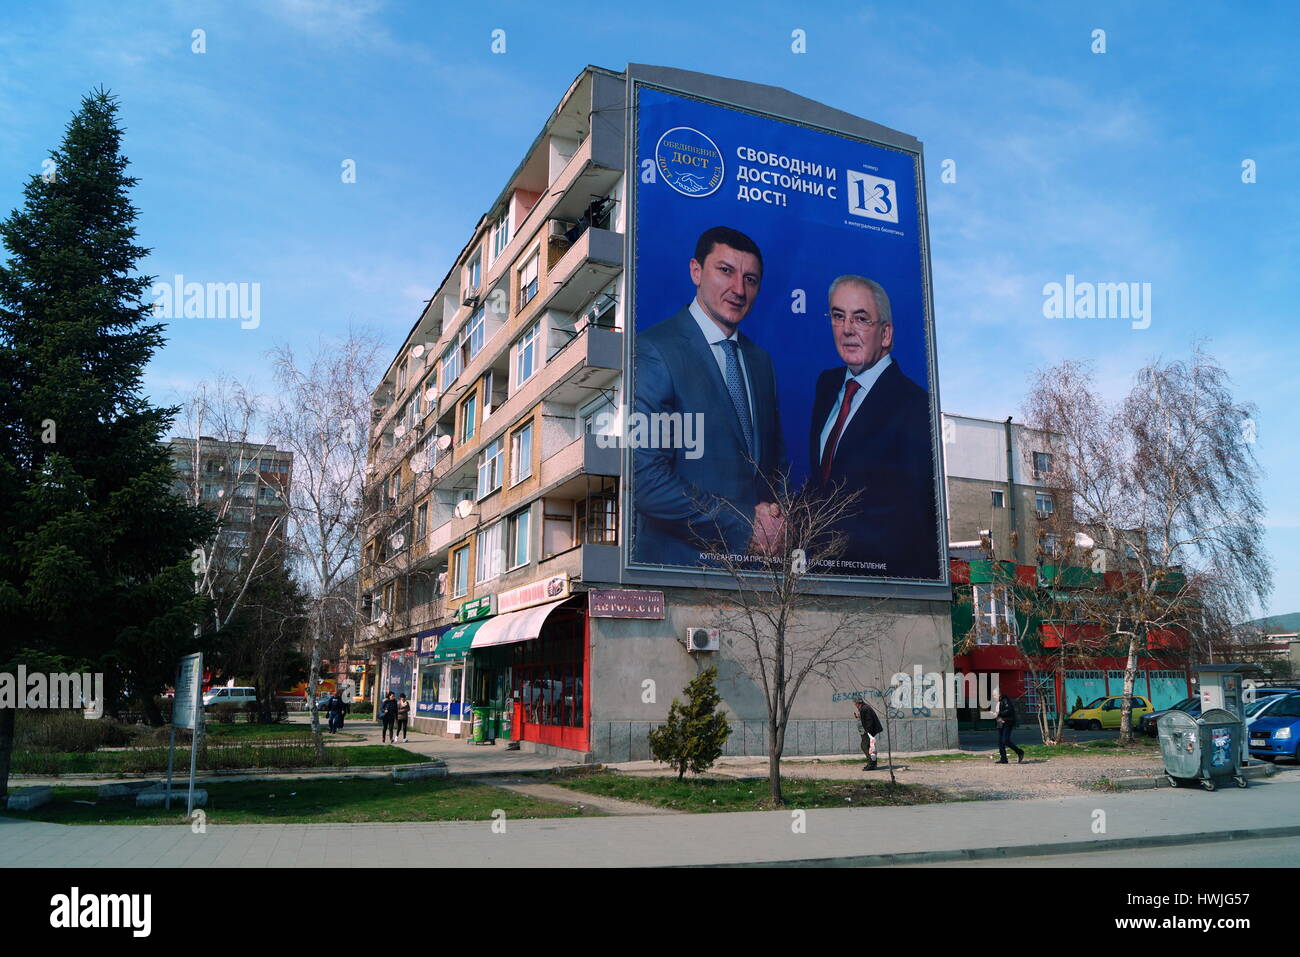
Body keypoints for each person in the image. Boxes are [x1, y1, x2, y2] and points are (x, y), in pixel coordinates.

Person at [632, 226, 789, 567]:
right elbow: (645, 480)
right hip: (680, 576)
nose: (738, 289)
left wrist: (775, 523)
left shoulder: (761, 361)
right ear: (696, 271)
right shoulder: (653, 350)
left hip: (757, 583)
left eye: (750, 279)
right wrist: (746, 524)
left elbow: (772, 471)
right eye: (726, 271)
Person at [808, 275, 939, 578]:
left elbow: (914, 517)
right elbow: (826, 484)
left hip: (883, 586)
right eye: (838, 316)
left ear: (886, 334)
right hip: (820, 576)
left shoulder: (916, 406)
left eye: (861, 319)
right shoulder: (827, 385)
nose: (847, 329)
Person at [992, 688, 1024, 763]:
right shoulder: (998, 701)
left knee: (1005, 740)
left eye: (994, 695)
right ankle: (1004, 759)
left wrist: (998, 714)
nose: (993, 696)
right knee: (1000, 742)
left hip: (1007, 722)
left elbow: (1008, 711)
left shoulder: (1006, 700)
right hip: (1000, 722)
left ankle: (1020, 752)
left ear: (999, 694)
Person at [853, 696, 883, 770]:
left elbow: (869, 720)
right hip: (867, 731)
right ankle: (873, 764)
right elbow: (865, 718)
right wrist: (858, 716)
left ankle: (871, 764)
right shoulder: (863, 708)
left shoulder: (865, 708)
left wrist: (868, 732)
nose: (855, 705)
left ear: (857, 703)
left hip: (867, 732)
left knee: (864, 746)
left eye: (855, 703)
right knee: (870, 747)